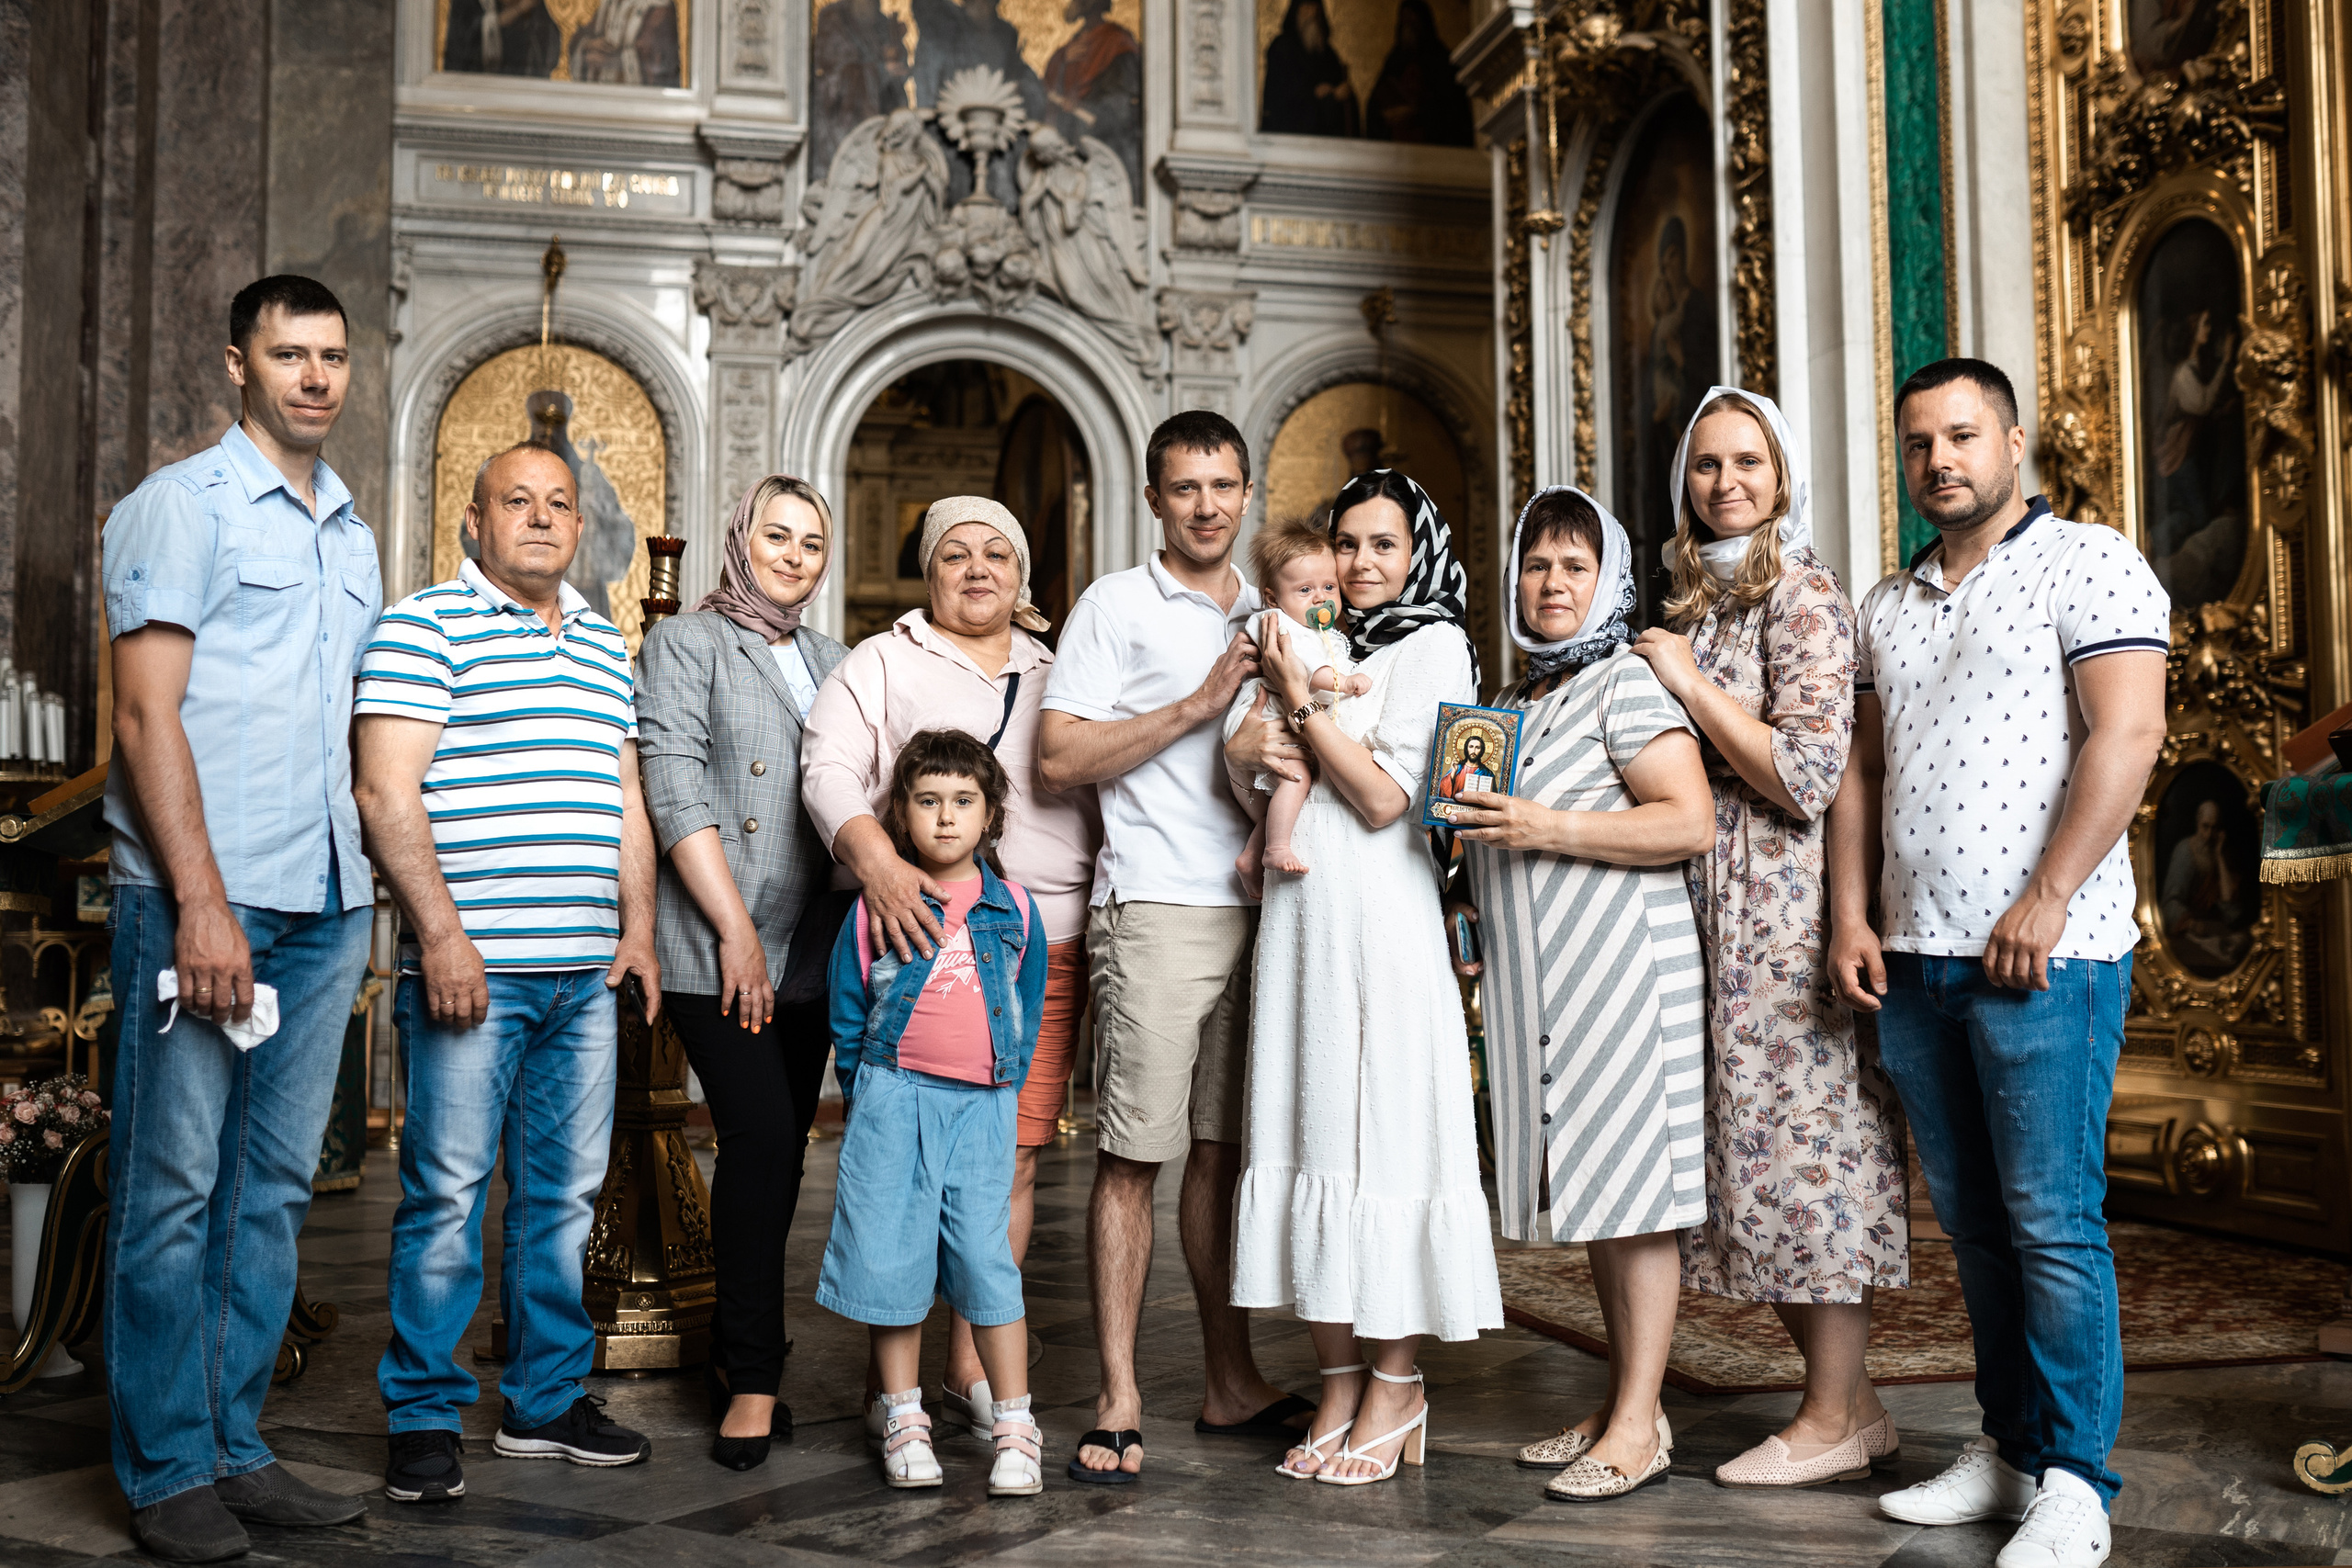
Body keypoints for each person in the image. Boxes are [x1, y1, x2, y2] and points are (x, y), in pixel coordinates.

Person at [1829, 358, 2168, 1568]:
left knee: (2050, 1220)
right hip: (1915, 956)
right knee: (1973, 1223)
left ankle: (2078, 1478)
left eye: (1962, 436)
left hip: (2049, 953)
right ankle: (2012, 1445)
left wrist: (2048, 892)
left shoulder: (2090, 559)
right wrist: (1851, 914)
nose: (1940, 461)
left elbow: (2129, 729)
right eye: (1920, 443)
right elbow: (1861, 771)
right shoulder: (1888, 600)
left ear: (2014, 441)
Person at [99, 275, 381, 1562]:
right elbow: (147, 715)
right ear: (236, 363)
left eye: (331, 355)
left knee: (273, 1189)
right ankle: (164, 1466)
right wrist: (203, 902)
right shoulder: (181, 506)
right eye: (289, 354)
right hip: (205, 898)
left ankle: (231, 1440)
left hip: (327, 903)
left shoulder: (351, 530)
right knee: (172, 1186)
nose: (314, 376)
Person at [356, 441, 663, 1505]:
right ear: (473, 523)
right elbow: (386, 793)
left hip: (583, 977)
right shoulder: (420, 626)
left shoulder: (602, 643)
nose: (539, 519)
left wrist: (639, 928)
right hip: (472, 971)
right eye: (515, 502)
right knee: (444, 1195)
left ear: (582, 527)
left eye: (559, 504)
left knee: (563, 1201)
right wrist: (440, 937)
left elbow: (624, 797)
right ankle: (424, 1412)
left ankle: (542, 1403)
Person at [1627, 388, 1910, 1487]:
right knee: (1746, 1167)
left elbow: (1806, 776)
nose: (1726, 481)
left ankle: (1830, 1415)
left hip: (1782, 920)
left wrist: (1689, 687)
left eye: (1747, 461)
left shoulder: (1804, 601)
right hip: (1704, 914)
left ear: (1782, 478)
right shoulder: (1692, 606)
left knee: (1806, 1161)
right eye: (1705, 465)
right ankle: (1860, 1409)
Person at [1040, 409, 1306, 1483]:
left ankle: (1229, 1380)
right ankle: (1116, 1391)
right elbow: (1058, 755)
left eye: (1224, 485)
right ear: (1153, 499)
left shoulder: (1282, 604)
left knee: (1222, 1157)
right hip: (1153, 908)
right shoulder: (1115, 606)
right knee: (1131, 1157)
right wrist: (1201, 701)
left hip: (1270, 910)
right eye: (1185, 487)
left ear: (1248, 493)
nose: (1206, 505)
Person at [1223, 469, 1505, 1485]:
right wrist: (1268, 728)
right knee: (1311, 1123)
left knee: (1376, 1128)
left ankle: (1397, 1381)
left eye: (1383, 545)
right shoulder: (1330, 638)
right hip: (1303, 912)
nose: (1361, 564)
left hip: (1381, 908)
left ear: (1416, 551)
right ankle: (1337, 1375)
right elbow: (1255, 763)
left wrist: (1299, 709)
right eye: (1346, 544)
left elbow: (1387, 799)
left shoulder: (1434, 644)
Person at [800, 494, 1100, 1440]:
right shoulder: (881, 661)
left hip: (1034, 942)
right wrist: (881, 867)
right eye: (956, 555)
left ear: (1021, 577)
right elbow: (827, 772)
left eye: (997, 555)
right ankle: (894, 1384)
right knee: (900, 1171)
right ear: (928, 573)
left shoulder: (1062, 669)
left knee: (1008, 1161)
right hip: (911, 939)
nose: (978, 571)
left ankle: (969, 1366)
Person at [1445, 486, 1715, 1502]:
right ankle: (1619, 1400)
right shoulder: (1513, 702)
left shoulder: (1624, 686)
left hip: (1621, 971)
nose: (1551, 583)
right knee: (1597, 1193)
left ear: (1607, 581)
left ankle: (1642, 1424)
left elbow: (1685, 822)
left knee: (1635, 1200)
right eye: (1536, 564)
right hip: (1537, 977)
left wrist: (1547, 828)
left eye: (1573, 566)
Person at [636, 474, 849, 1472]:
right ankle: (753, 1379)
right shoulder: (686, 642)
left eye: (811, 542)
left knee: (782, 1154)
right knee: (761, 1137)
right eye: (777, 535)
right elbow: (672, 779)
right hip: (718, 940)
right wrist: (733, 929)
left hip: (813, 945)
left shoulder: (836, 658)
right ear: (741, 539)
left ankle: (734, 1353)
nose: (794, 555)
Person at [816, 730, 1049, 1497]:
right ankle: (903, 1413)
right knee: (893, 1258)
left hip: (982, 1107)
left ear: (990, 815)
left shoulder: (1012, 906)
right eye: (927, 801)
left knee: (988, 1262)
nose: (945, 818)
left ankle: (1016, 1422)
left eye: (962, 802)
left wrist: (1004, 1083)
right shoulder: (876, 905)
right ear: (900, 814)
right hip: (894, 1100)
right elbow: (849, 1009)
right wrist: (870, 1094)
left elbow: (1027, 996)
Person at [1223, 513, 1372, 893]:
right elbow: (1303, 672)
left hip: (1286, 713)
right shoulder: (1277, 622)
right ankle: (1275, 848)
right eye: (1305, 590)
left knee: (1293, 787)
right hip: (1264, 714)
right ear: (1273, 597)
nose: (1320, 597)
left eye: (1328, 587)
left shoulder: (1319, 631)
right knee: (1299, 776)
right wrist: (1346, 682)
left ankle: (1250, 855)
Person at [1364, 0, 1474, 145]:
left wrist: (1416, 112)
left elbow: (1452, 110)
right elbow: (1375, 106)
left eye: (1413, 22)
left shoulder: (1441, 61)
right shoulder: (1394, 61)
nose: (1408, 30)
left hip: (1435, 147)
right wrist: (1387, 116)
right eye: (1404, 22)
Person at [1260, 0, 1360, 138]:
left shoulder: (1328, 54)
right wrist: (1316, 94)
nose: (1311, 14)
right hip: (1289, 136)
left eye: (1315, 8)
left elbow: (1341, 94)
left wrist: (1338, 94)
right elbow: (1280, 99)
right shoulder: (1282, 48)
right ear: (1296, 11)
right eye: (1306, 7)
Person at [1435, 732, 1496, 802]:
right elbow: (1442, 791)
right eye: (1471, 747)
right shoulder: (1457, 768)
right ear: (1466, 749)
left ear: (1482, 751)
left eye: (1477, 748)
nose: (1473, 751)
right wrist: (1453, 774)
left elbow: (1492, 798)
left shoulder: (1487, 773)